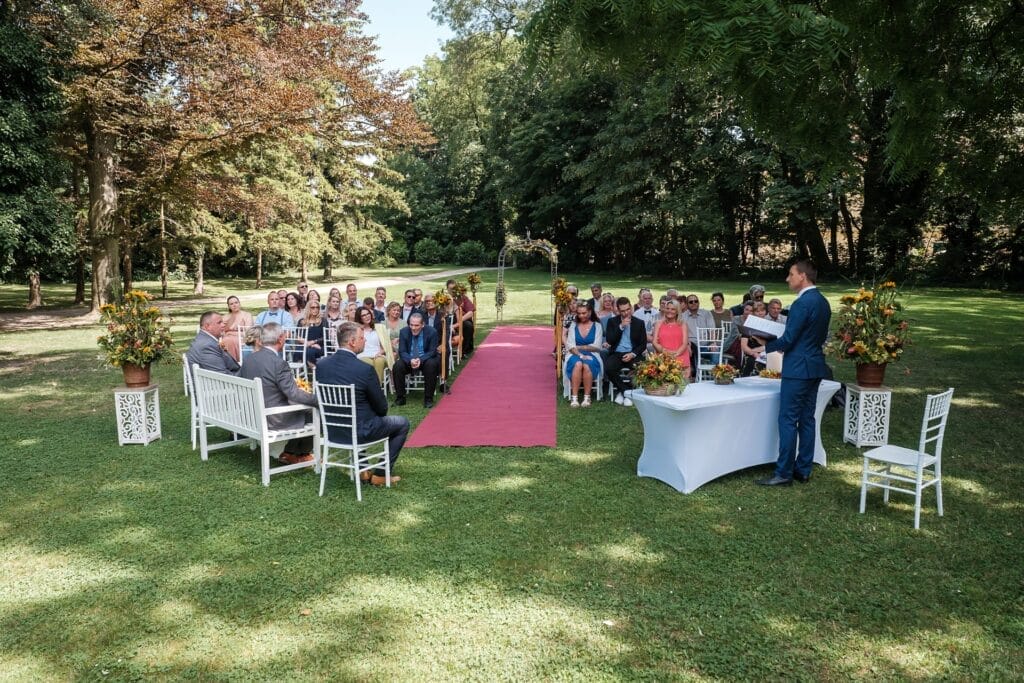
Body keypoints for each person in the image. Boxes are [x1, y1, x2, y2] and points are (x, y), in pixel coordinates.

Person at [755, 259, 831, 487]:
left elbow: (789, 339)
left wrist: (763, 346)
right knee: (807, 418)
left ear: (803, 277)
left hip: (798, 369)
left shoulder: (801, 304)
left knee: (788, 419)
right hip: (815, 366)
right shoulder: (824, 302)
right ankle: (803, 469)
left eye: (791, 274)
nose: (788, 278)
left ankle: (784, 472)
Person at [315, 321, 410, 487]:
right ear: (352, 342)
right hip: (359, 431)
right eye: (361, 338)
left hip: (332, 430)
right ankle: (381, 473)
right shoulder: (364, 369)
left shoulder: (322, 365)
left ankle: (363, 469)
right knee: (402, 423)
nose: (364, 341)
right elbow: (382, 408)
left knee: (361, 416)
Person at [240, 323, 317, 465]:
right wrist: (318, 400)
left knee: (306, 408)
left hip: (252, 414)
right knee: (314, 411)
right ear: (281, 339)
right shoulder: (278, 363)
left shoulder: (249, 359)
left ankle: (291, 453)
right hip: (273, 418)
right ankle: (298, 453)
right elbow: (293, 394)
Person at [604, 297, 647, 406]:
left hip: (632, 353)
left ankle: (623, 392)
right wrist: (621, 327)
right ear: (618, 310)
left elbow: (643, 344)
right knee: (609, 368)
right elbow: (610, 340)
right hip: (617, 353)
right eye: (623, 311)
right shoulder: (612, 322)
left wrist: (632, 354)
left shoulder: (639, 323)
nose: (626, 312)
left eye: (628, 309)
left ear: (631, 308)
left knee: (641, 368)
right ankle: (626, 392)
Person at [393, 312, 440, 408]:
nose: (413, 328)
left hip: (425, 359)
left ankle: (428, 398)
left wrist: (420, 359)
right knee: (397, 366)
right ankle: (400, 397)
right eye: (411, 325)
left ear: (423, 325)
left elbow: (432, 351)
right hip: (409, 359)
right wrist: (410, 360)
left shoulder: (432, 332)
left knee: (431, 365)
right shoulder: (404, 332)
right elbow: (402, 351)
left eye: (416, 325)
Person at [564, 302, 603, 408]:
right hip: (574, 354)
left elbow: (597, 346)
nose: (581, 316)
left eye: (584, 313)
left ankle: (587, 397)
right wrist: (580, 355)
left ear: (590, 312)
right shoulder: (573, 325)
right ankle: (575, 397)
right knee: (578, 364)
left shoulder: (597, 326)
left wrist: (581, 347)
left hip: (592, 354)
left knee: (587, 365)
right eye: (579, 313)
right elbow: (571, 345)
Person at [186, 311, 241, 375]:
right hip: (224, 383)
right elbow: (221, 375)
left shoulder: (203, 339)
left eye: (222, 322)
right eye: (219, 322)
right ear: (207, 326)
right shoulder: (207, 346)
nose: (223, 325)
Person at [651, 299, 689, 370]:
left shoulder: (683, 324)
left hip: (680, 356)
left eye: (673, 309)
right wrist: (666, 353)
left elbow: (685, 344)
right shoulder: (658, 323)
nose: (669, 311)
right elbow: (654, 342)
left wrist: (676, 354)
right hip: (662, 356)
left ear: (677, 311)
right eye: (667, 308)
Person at [355, 306, 388, 384]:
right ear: (359, 318)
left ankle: (376, 388)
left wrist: (380, 352)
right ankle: (374, 389)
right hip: (363, 355)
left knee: (379, 361)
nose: (367, 316)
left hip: (378, 354)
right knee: (368, 364)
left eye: (368, 314)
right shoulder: (357, 330)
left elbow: (385, 347)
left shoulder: (379, 328)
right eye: (363, 315)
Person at [739, 301, 770, 377]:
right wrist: (753, 353)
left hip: (766, 353)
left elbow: (770, 344)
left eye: (762, 310)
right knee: (753, 361)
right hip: (750, 354)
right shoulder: (748, 326)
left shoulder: (769, 326)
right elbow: (743, 346)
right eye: (757, 311)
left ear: (765, 312)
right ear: (753, 313)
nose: (760, 313)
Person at [221, 295, 254, 363]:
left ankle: (234, 362)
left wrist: (233, 332)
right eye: (231, 304)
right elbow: (221, 331)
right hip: (227, 338)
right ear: (229, 306)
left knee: (229, 340)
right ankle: (230, 362)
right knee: (226, 340)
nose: (234, 305)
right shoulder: (225, 317)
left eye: (236, 302)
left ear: (239, 303)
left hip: (242, 338)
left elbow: (248, 331)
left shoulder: (247, 315)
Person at [298, 299, 326, 369]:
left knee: (309, 352)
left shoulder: (323, 321)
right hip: (305, 345)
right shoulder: (302, 321)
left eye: (317, 307)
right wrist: (308, 343)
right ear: (308, 308)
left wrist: (314, 342)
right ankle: (299, 375)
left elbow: (326, 336)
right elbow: (298, 336)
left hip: (319, 346)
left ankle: (315, 371)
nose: (315, 309)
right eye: (313, 307)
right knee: (298, 351)